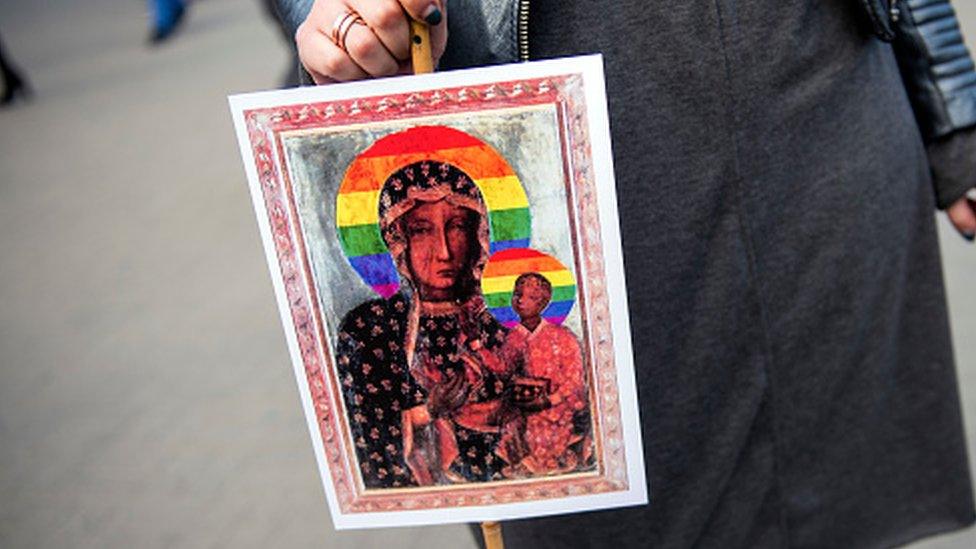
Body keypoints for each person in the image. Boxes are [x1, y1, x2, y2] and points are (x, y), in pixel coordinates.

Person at [275, 0, 976, 546]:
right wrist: (333, 16)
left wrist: (953, 113)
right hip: (555, 131)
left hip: (814, 110)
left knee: (834, 492)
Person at [334, 160, 509, 488]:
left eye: (456, 226)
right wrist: (429, 410)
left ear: (477, 234)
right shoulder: (371, 330)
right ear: (397, 239)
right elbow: (367, 436)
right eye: (421, 230)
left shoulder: (500, 320)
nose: (443, 251)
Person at [476, 272, 590, 476]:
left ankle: (544, 466)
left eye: (528, 297)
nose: (519, 300)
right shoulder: (515, 336)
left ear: (542, 303)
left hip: (558, 403)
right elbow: (504, 368)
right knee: (507, 421)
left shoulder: (562, 336)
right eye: (516, 294)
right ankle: (528, 465)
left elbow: (574, 378)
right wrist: (478, 348)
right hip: (527, 399)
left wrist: (549, 400)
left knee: (537, 426)